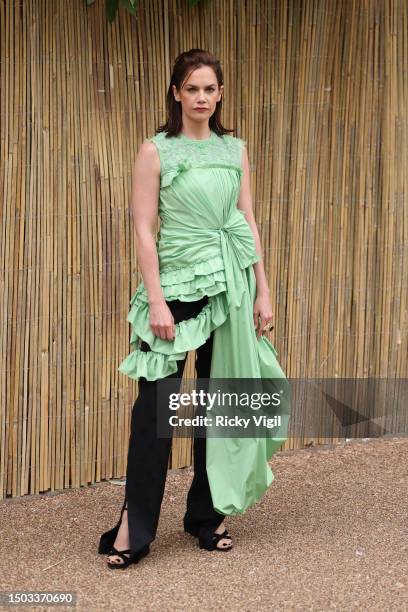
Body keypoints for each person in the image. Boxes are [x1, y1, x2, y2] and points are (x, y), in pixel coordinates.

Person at [98, 48, 290, 570]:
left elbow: (247, 220)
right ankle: (134, 527)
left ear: (219, 94)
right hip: (174, 291)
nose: (201, 97)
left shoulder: (235, 150)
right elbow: (143, 228)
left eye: (210, 89)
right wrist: (156, 299)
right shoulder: (155, 150)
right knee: (154, 413)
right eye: (192, 88)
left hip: (229, 287)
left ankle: (206, 516)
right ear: (176, 93)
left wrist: (263, 289)